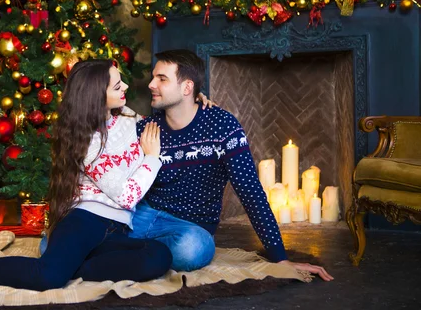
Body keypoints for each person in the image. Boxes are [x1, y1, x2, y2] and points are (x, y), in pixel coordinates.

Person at [0, 59, 173, 290]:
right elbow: (128, 196)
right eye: (117, 86)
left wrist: (196, 100)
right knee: (48, 278)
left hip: (117, 229)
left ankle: (74, 268)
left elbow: (167, 121)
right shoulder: (87, 142)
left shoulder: (127, 117)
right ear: (95, 95)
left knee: (159, 256)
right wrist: (151, 158)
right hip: (85, 220)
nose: (126, 87)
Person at [129, 49, 334, 281]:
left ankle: (128, 250)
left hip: (190, 229)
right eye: (154, 77)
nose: (151, 84)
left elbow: (250, 191)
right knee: (99, 227)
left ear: (187, 88)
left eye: (161, 79)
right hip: (145, 215)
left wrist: (280, 257)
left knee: (192, 250)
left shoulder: (222, 126)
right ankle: (141, 252)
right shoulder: (144, 127)